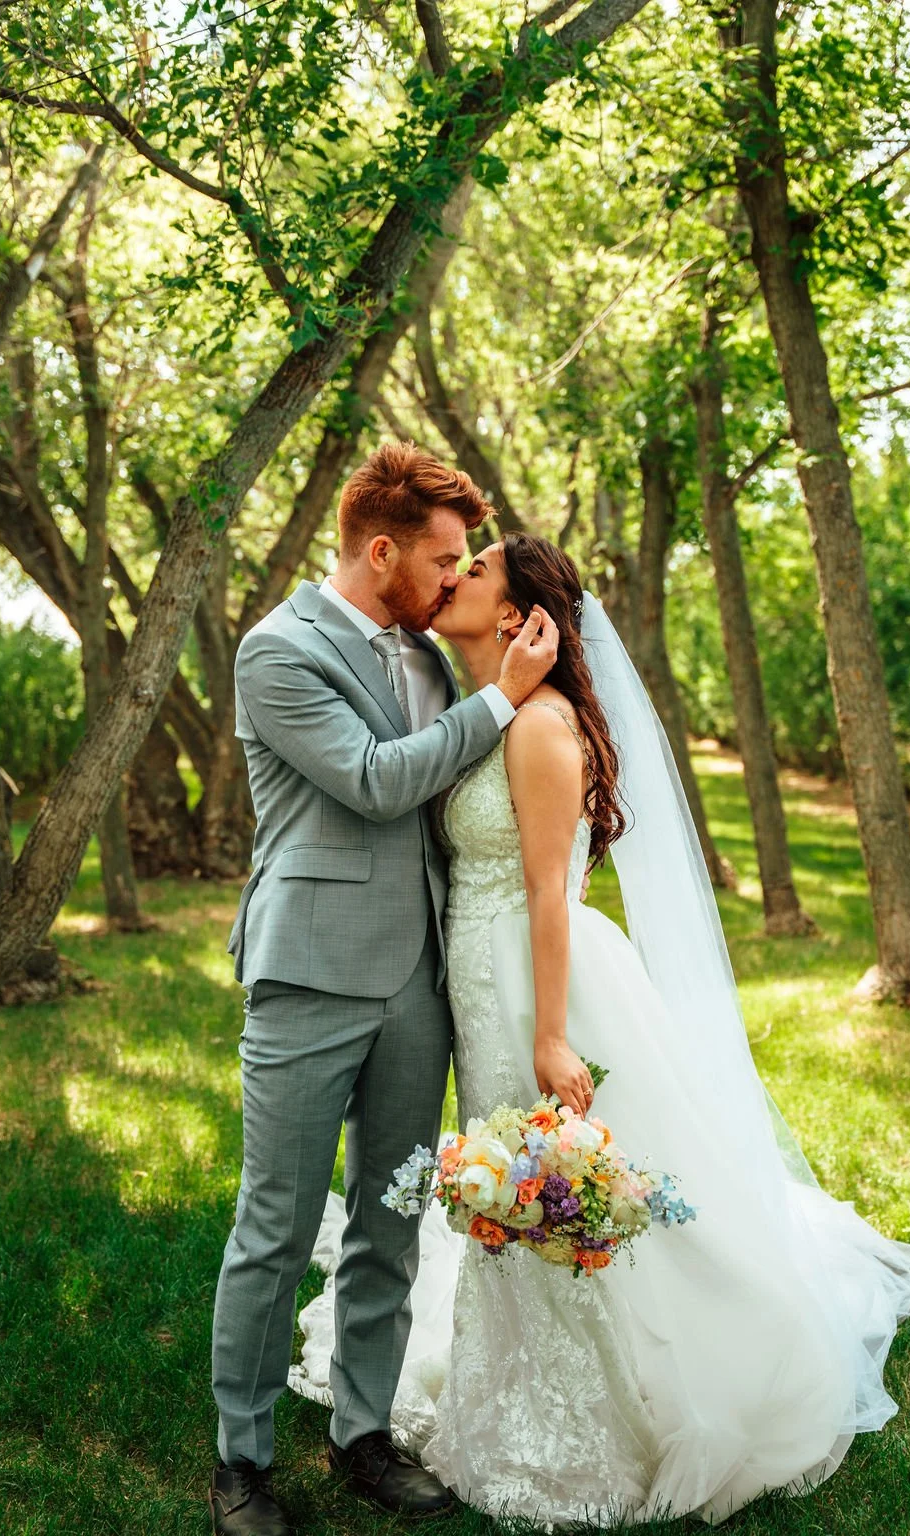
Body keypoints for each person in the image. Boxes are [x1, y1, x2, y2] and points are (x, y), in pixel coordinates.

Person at [291, 532, 910, 1527]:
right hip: (487, 980)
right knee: (517, 1182)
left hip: (536, 987)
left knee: (551, 1176)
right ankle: (517, 1372)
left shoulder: (539, 727)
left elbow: (551, 893)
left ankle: (599, 1401)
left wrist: (553, 1037)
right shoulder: (490, 710)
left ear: (517, 615)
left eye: (475, 570)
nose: (453, 577)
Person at [209, 445, 559, 1536]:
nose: (454, 580)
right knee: (276, 1226)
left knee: (390, 1219)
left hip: (420, 979)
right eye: (444, 561)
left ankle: (362, 1433)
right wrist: (502, 699)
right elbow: (371, 782)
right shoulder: (278, 650)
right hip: (310, 972)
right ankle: (241, 1461)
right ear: (379, 551)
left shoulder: (426, 655)